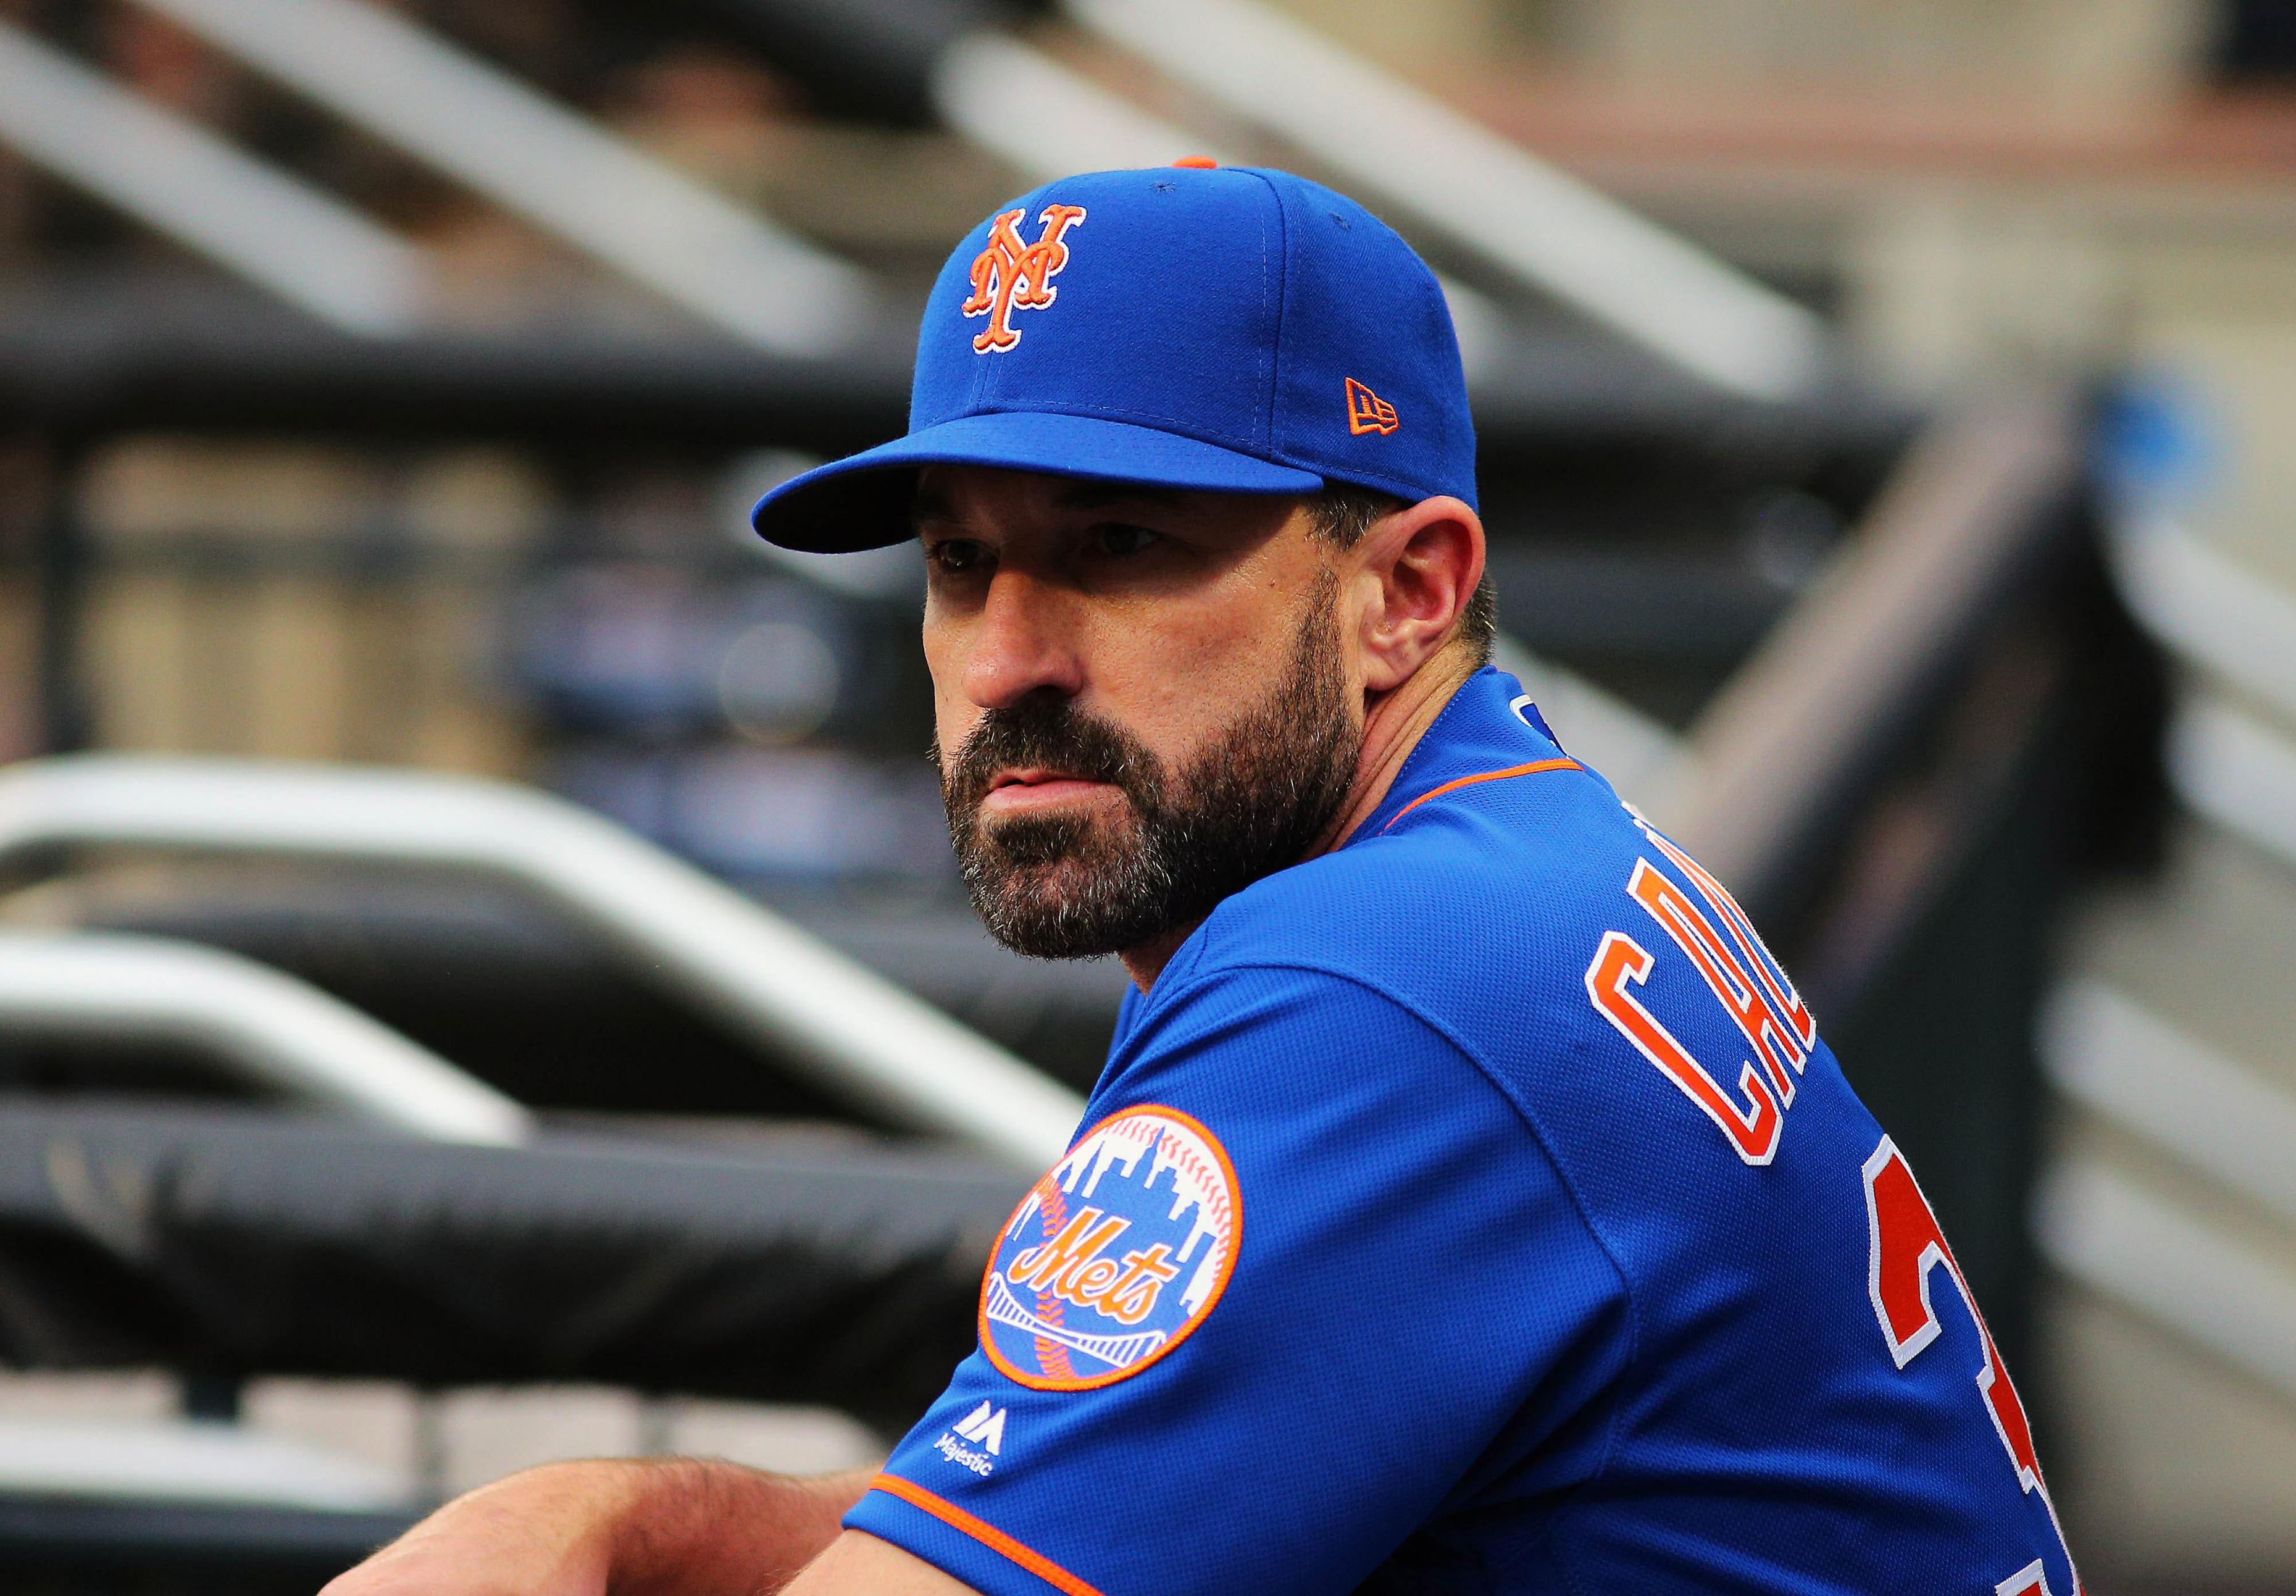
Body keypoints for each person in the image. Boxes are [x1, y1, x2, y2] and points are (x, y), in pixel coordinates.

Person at [326, 164, 2081, 1596]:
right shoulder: (1509, 859)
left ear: (1402, 590)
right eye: (960, 560)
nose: (1006, 656)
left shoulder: (1374, 989)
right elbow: (1058, 1530)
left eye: (1121, 547)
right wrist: (616, 1522)